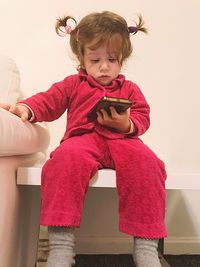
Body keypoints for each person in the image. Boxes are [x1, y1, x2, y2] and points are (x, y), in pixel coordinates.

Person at [0, 11, 167, 267]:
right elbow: (48, 100)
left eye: (112, 59)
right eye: (95, 59)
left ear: (121, 60)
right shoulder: (72, 84)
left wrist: (126, 124)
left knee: (150, 164)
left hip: (123, 142)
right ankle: (60, 247)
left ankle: (146, 247)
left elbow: (143, 117)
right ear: (81, 59)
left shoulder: (130, 88)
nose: (104, 66)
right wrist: (25, 108)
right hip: (83, 140)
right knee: (63, 160)